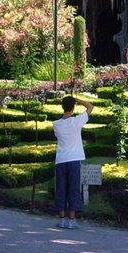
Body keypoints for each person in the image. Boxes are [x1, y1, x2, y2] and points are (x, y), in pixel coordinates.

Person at [53, 95, 94, 229]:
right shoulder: (76, 121)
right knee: (74, 189)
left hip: (61, 159)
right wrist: (77, 99)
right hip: (74, 158)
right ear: (73, 106)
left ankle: (62, 218)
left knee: (61, 189)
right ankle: (71, 219)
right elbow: (90, 107)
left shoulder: (56, 124)